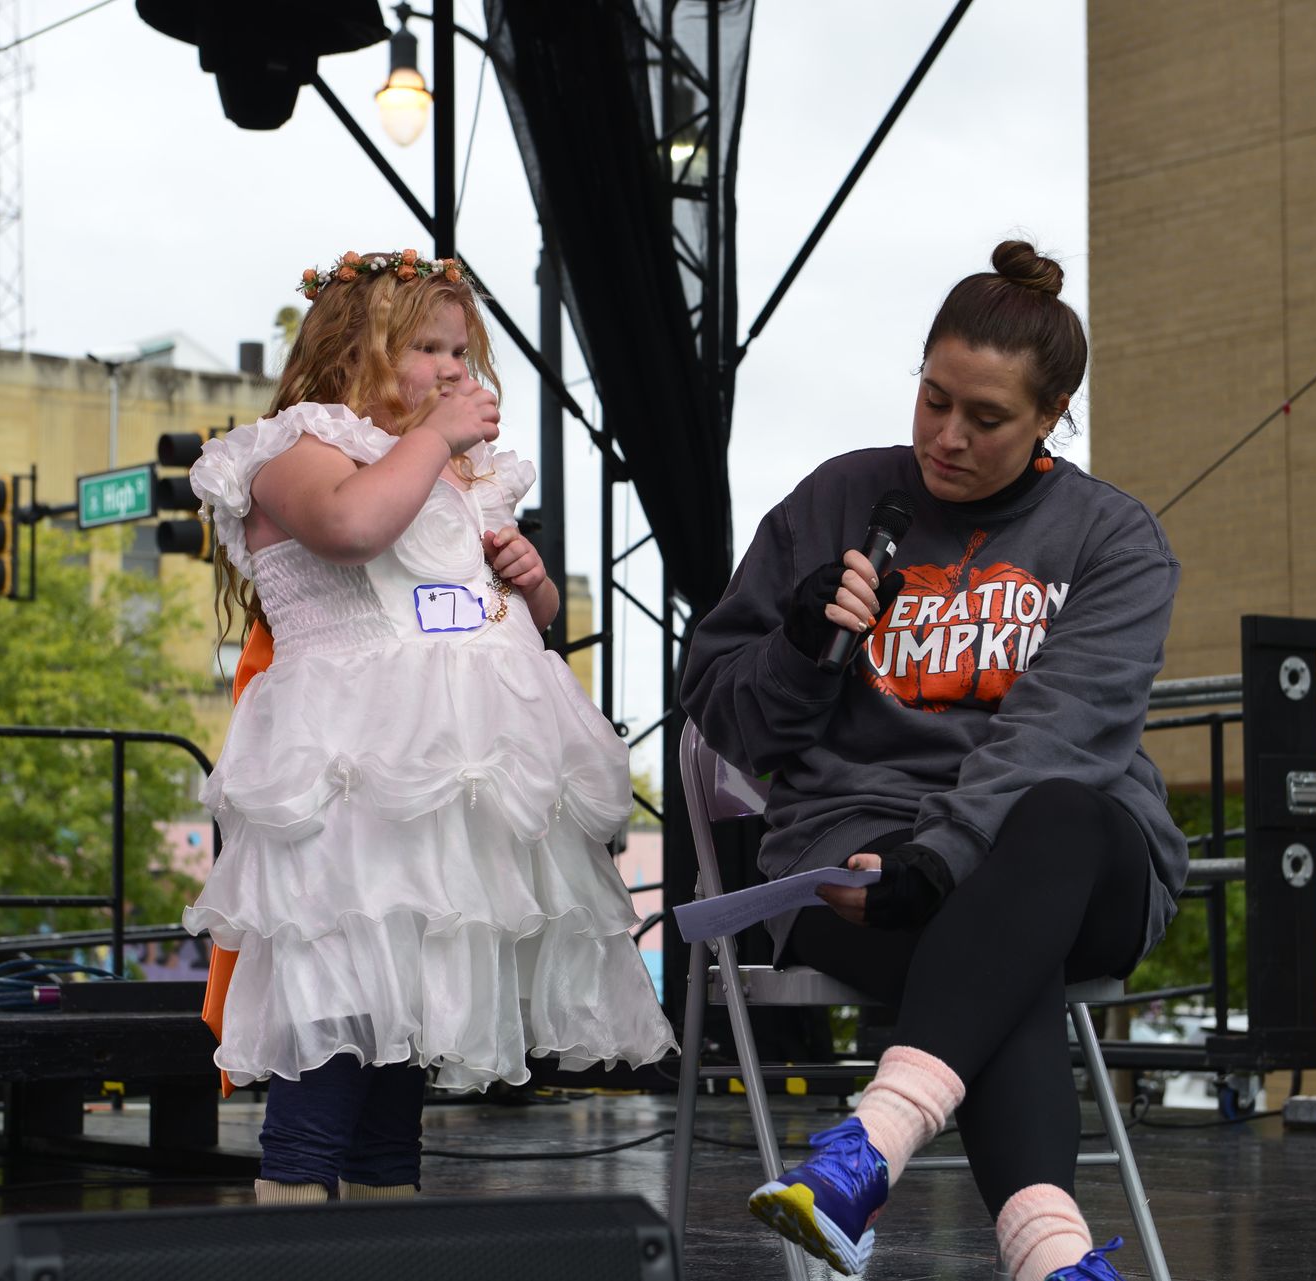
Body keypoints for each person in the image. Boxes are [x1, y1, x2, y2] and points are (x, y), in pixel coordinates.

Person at [679, 240, 1186, 1281]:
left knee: (1053, 816)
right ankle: (1053, 1259)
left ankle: (871, 1143)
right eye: (933, 398)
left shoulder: (1112, 539)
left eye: (986, 418)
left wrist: (942, 861)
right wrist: (798, 647)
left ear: (1052, 416)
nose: (947, 437)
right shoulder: (834, 500)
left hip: (1071, 856)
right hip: (857, 848)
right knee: (1003, 958)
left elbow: (1062, 731)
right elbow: (726, 717)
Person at [185, 248, 675, 1206]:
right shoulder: (294, 448)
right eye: (428, 349)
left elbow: (488, 618)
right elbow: (351, 527)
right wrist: (435, 440)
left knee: (406, 1011)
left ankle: (385, 1213)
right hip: (351, 769)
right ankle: (293, 1209)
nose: (454, 369)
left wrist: (529, 587)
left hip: (450, 775)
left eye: (462, 352)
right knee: (339, 991)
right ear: (352, 352)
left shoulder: (459, 477)